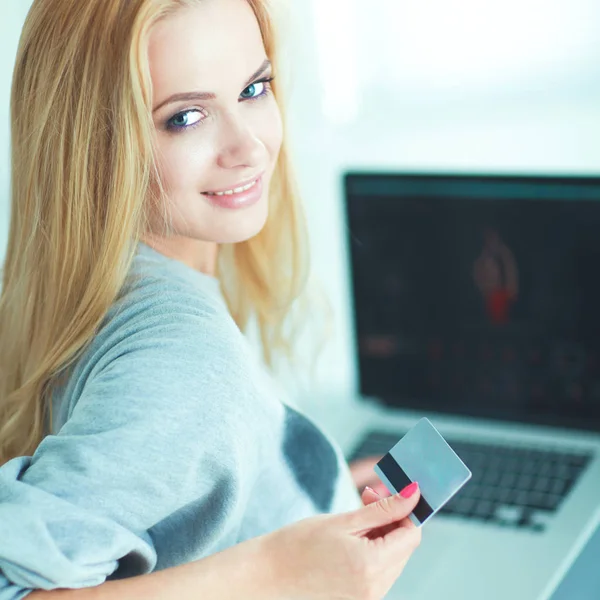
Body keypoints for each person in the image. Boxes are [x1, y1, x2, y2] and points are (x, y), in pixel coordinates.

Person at [0, 0, 422, 597]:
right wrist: (278, 572)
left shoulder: (111, 283)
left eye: (254, 88)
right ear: (93, 145)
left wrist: (306, 497)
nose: (248, 146)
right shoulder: (182, 360)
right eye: (186, 117)